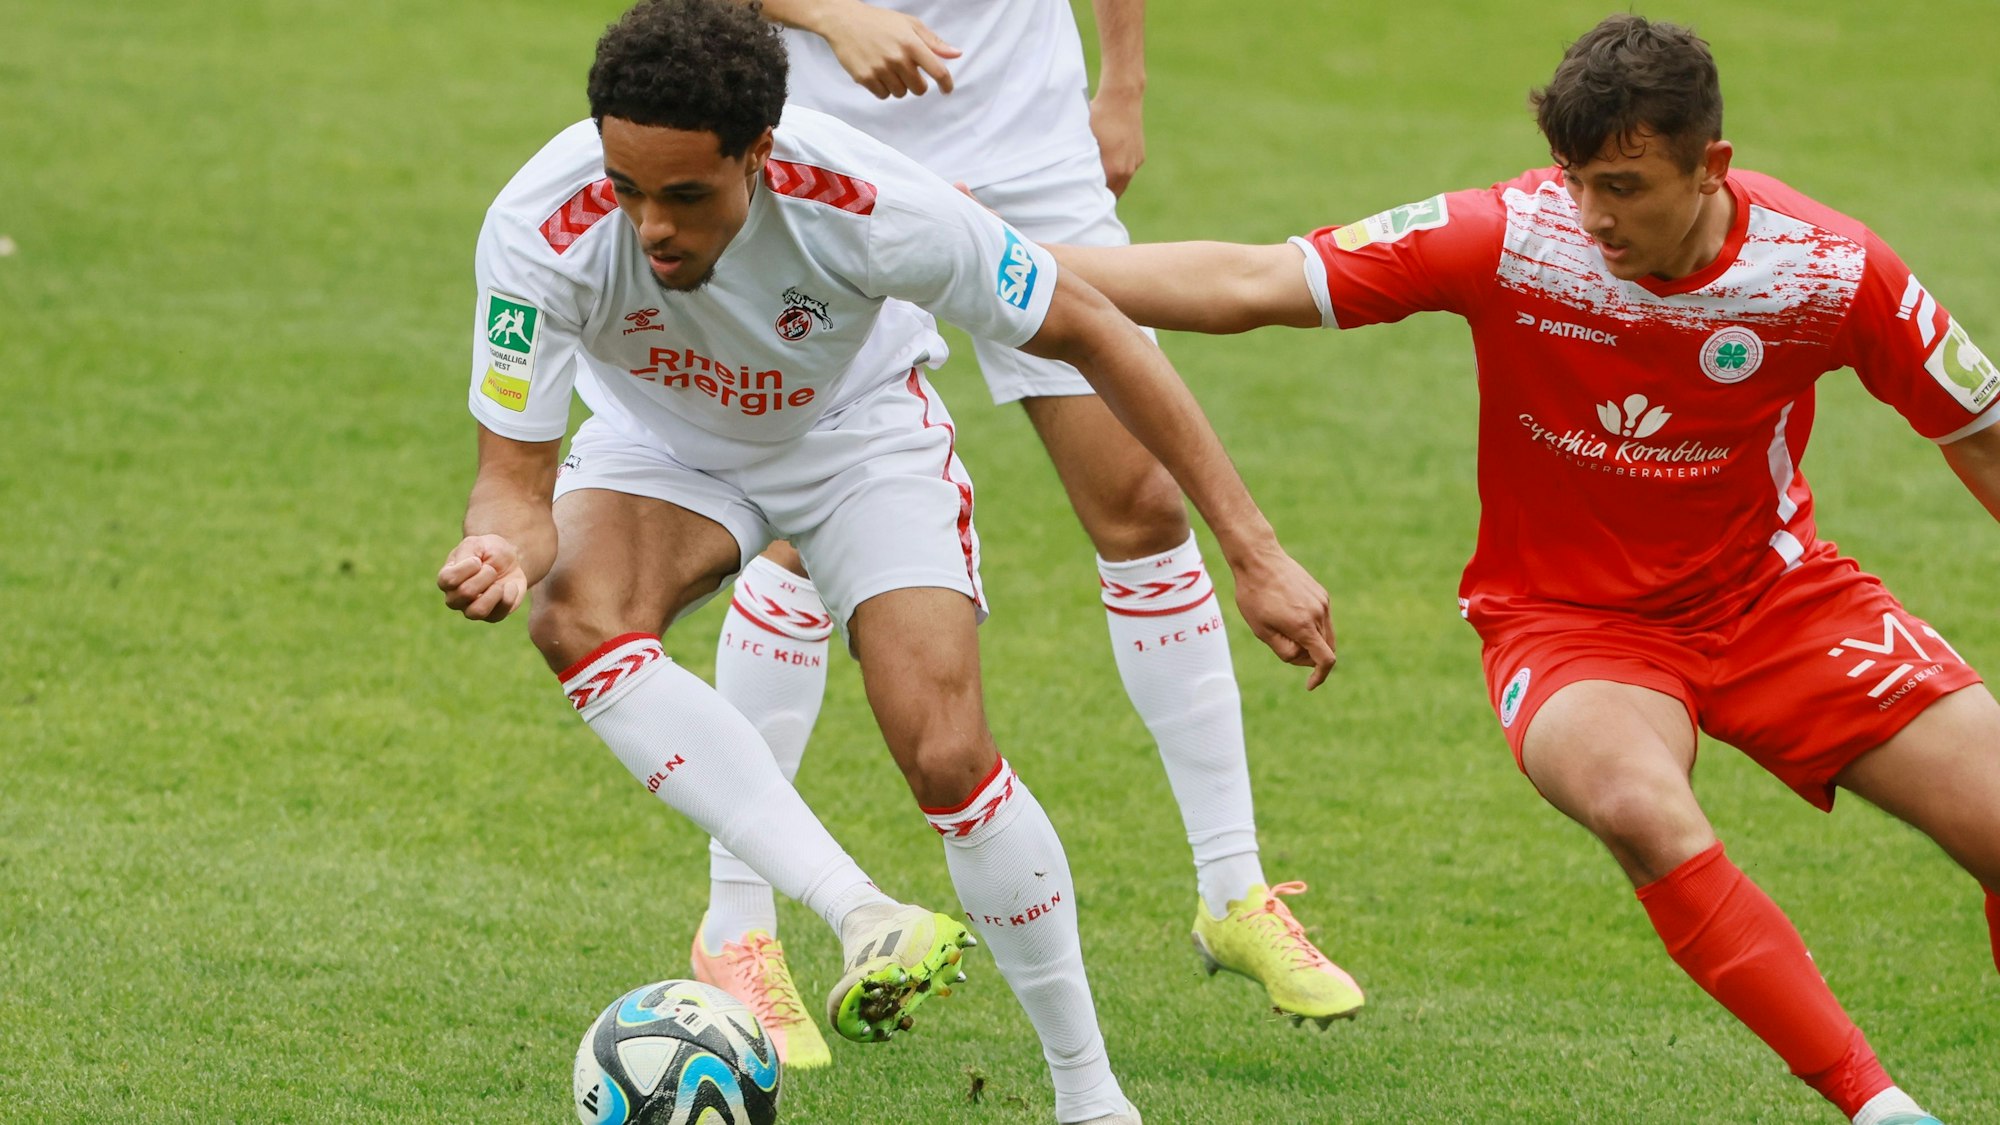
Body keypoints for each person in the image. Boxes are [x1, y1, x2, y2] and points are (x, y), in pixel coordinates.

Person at [1044, 14, 2000, 1124]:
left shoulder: (1827, 270)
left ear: (1711, 168)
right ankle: (1879, 1108)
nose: (1593, 217)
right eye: (1575, 179)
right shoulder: (1515, 235)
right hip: (1568, 629)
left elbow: (1976, 435)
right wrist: (986, 262)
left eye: (1625, 186)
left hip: (1773, 600)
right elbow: (1251, 279)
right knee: (1637, 804)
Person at [436, 1, 1336, 1120]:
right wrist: (496, 549)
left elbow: (1094, 328)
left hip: (859, 437)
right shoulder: (539, 226)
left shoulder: (875, 205)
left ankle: (1088, 1095)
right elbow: (514, 491)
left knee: (946, 752)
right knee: (573, 613)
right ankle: (858, 913)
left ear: (759, 156)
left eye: (684, 196)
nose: (649, 226)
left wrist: (1251, 548)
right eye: (627, 188)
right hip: (664, 447)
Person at [688, 0, 1364, 1067]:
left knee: (1138, 501)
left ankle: (1232, 891)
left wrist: (1121, 80)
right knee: (804, 530)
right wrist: (826, 16)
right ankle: (737, 931)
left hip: (1026, 138)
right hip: (825, 153)